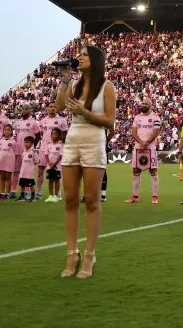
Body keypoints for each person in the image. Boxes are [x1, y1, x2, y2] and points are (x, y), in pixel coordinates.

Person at [56, 44, 117, 279]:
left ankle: (90, 255)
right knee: (70, 199)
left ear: (95, 60)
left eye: (84, 55)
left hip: (94, 139)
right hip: (73, 138)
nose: (79, 58)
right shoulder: (74, 84)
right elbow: (59, 106)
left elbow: (110, 121)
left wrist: (86, 112)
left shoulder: (107, 86)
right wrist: (64, 81)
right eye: (79, 55)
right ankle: (71, 254)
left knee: (91, 200)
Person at [126, 98, 162, 205]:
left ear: (150, 106)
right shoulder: (137, 117)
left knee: (153, 171)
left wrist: (146, 143)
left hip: (150, 148)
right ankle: (135, 196)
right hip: (138, 148)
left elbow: (155, 132)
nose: (143, 105)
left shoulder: (155, 117)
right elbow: (133, 133)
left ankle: (154, 196)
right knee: (135, 172)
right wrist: (141, 143)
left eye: (146, 104)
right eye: (142, 103)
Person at [39, 103, 68, 200]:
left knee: (58, 172)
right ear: (47, 108)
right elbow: (41, 133)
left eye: (55, 107)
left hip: (57, 150)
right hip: (44, 148)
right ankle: (39, 192)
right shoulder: (43, 120)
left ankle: (58, 194)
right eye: (51, 107)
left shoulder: (62, 120)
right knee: (41, 170)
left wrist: (62, 145)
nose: (52, 108)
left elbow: (65, 134)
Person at [14, 105, 42, 199]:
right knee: (16, 171)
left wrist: (32, 147)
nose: (24, 110)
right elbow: (17, 135)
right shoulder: (18, 122)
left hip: (28, 151)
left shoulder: (33, 122)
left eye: (26, 109)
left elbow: (38, 136)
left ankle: (27, 192)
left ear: (30, 110)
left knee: (27, 172)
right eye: (23, 109)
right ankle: (13, 191)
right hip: (19, 150)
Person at [0, 124, 17, 200]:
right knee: (2, 177)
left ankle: (7, 193)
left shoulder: (14, 141)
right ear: (3, 131)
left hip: (9, 161)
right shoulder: (0, 141)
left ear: (11, 131)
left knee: (8, 177)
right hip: (1, 160)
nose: (7, 131)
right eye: (5, 130)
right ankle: (2, 193)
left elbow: (15, 151)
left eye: (8, 130)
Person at [45, 128, 64, 203]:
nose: (53, 135)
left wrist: (54, 163)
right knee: (50, 180)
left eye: (55, 133)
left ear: (59, 135)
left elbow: (60, 155)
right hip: (50, 166)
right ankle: (50, 195)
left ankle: (56, 196)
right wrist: (49, 163)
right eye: (52, 134)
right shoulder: (48, 144)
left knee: (56, 180)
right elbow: (46, 155)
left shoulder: (61, 144)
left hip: (57, 166)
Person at [17, 136, 39, 202]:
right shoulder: (23, 152)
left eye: (28, 142)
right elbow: (22, 160)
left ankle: (33, 197)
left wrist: (32, 165)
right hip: (23, 172)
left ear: (32, 144)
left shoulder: (33, 152)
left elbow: (37, 161)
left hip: (29, 173)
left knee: (31, 185)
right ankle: (22, 196)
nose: (26, 144)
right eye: (25, 142)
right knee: (22, 185)